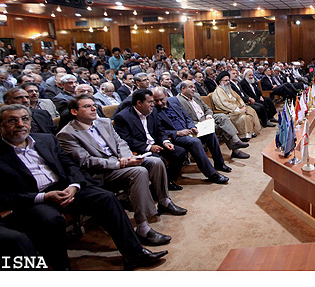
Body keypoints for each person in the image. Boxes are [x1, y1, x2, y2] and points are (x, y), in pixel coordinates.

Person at [0, 104, 168, 270]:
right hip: (34, 199)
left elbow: (69, 165)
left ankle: (134, 253)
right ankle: (62, 268)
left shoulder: (45, 139)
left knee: (106, 198)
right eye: (12, 121)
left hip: (65, 188)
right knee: (51, 220)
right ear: (1, 126)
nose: (20, 124)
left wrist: (74, 185)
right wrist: (44, 197)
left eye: (25, 119)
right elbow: (4, 195)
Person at [57, 94, 186, 247]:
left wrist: (126, 158)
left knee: (156, 161)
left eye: (93, 105)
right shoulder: (67, 134)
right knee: (139, 172)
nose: (93, 108)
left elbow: (121, 142)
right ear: (74, 112)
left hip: (122, 161)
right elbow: (86, 161)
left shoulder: (103, 122)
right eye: (87, 106)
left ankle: (164, 201)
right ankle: (143, 227)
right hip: (100, 173)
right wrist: (119, 163)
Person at [152, 87, 230, 183]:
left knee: (210, 133)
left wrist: (192, 127)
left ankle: (219, 163)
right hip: (175, 136)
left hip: (188, 130)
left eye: (161, 99)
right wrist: (177, 133)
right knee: (195, 142)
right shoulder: (153, 111)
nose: (159, 103)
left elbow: (186, 116)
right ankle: (212, 174)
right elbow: (157, 131)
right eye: (156, 101)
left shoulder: (174, 101)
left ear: (166, 96)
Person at [114, 89, 187, 191]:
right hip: (139, 148)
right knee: (159, 160)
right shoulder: (122, 117)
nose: (153, 104)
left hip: (156, 144)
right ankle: (159, 188)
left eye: (153, 101)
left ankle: (167, 181)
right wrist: (149, 147)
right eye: (150, 102)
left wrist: (166, 141)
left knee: (180, 152)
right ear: (139, 103)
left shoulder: (153, 111)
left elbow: (159, 130)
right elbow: (127, 140)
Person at [177, 80, 250, 159]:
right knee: (223, 127)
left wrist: (208, 117)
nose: (193, 89)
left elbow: (207, 109)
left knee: (223, 117)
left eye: (194, 87)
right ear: (183, 89)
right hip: (197, 124)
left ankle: (236, 140)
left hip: (207, 118)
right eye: (190, 87)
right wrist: (202, 123)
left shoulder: (196, 96)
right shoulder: (178, 100)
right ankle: (236, 151)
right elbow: (184, 119)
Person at [212, 71, 261, 141]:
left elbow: (238, 98)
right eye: (226, 80)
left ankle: (251, 132)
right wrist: (238, 109)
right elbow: (224, 104)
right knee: (243, 117)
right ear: (220, 82)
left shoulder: (229, 89)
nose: (228, 82)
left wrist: (242, 105)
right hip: (229, 112)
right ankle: (243, 136)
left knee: (251, 111)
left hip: (238, 108)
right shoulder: (218, 92)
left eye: (228, 80)